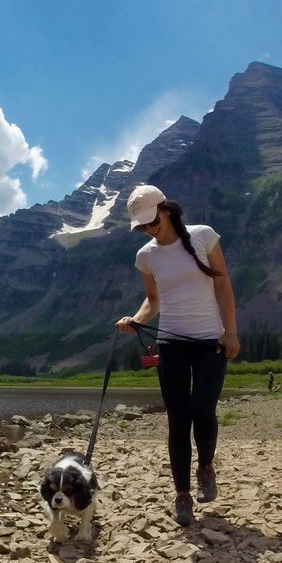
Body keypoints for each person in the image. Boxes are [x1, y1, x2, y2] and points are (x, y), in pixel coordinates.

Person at [116, 184, 240, 526]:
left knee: (203, 406)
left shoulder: (203, 237)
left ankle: (205, 466)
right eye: (141, 226)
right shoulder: (146, 256)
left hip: (209, 340)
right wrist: (136, 320)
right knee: (177, 418)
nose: (148, 229)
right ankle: (182, 494)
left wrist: (230, 332)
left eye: (151, 221)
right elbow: (153, 301)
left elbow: (223, 285)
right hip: (171, 342)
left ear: (166, 210)